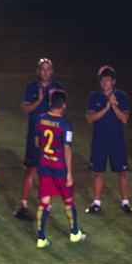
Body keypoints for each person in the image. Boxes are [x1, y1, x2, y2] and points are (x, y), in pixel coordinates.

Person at [34, 91, 86, 247]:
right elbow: (67, 149)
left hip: (44, 166)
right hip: (59, 169)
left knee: (44, 202)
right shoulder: (65, 125)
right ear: (64, 105)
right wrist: (69, 173)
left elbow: (37, 142)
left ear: (50, 103)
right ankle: (74, 233)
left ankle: (41, 238)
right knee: (68, 201)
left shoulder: (40, 119)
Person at [16, 58, 63, 220]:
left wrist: (50, 100)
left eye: (48, 69)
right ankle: (23, 204)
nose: (45, 72)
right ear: (38, 71)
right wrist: (39, 99)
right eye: (42, 69)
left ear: (52, 71)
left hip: (50, 136)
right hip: (34, 134)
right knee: (31, 169)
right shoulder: (31, 87)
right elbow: (26, 109)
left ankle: (45, 203)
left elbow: (60, 112)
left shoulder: (57, 88)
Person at [85, 65, 132, 214]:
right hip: (99, 140)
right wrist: (105, 108)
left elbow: (124, 119)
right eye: (103, 80)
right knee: (98, 172)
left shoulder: (122, 97)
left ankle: (125, 202)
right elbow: (91, 118)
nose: (105, 82)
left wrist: (114, 105)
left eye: (108, 80)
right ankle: (96, 202)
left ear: (113, 81)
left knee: (122, 172)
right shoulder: (94, 97)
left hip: (117, 141)